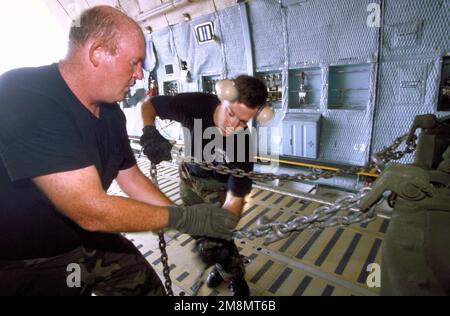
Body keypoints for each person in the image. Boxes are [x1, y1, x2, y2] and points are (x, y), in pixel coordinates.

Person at [0, 6, 237, 296]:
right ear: (98, 53)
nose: (140, 74)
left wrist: (194, 225)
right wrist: (188, 219)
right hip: (25, 260)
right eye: (134, 62)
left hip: (88, 241)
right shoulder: (24, 94)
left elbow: (131, 178)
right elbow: (90, 210)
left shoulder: (111, 114)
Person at [140, 76, 269, 296]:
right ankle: (221, 266)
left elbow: (235, 198)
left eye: (243, 122)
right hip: (189, 180)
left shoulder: (243, 143)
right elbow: (148, 105)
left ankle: (234, 275)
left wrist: (221, 227)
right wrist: (149, 131)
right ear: (222, 99)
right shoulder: (195, 105)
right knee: (199, 232)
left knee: (220, 238)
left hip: (218, 189)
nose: (233, 126)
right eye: (231, 114)